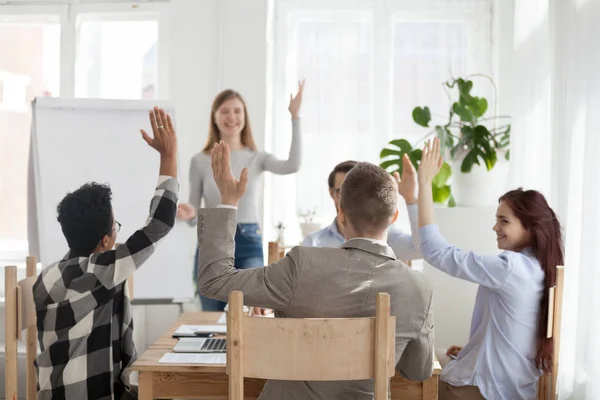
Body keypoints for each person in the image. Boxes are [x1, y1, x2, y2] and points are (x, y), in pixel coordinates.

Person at [195, 141, 434, 400]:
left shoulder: (301, 265)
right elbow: (417, 371)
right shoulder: (419, 288)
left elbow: (214, 281)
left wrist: (229, 202)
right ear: (394, 216)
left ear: (341, 213)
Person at [33, 108, 179, 400]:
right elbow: (159, 224)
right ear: (104, 241)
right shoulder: (100, 272)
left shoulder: (47, 276)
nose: (117, 233)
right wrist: (169, 156)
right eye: (116, 227)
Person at [417, 138, 564, 400]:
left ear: (529, 228)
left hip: (490, 391)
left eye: (503, 221)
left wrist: (424, 184)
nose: (495, 227)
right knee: (438, 357)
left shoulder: (510, 268)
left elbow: (435, 252)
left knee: (413, 376)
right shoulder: (541, 269)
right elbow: (518, 330)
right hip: (517, 388)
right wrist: (476, 349)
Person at [177, 83, 304, 311]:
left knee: (254, 309)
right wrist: (189, 213)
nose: (231, 117)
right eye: (224, 111)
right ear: (214, 117)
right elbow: (195, 213)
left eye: (237, 111)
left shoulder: (257, 157)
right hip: (212, 242)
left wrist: (294, 117)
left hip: (248, 241)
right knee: (211, 316)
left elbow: (292, 165)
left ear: (245, 116)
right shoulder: (199, 161)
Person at [302, 158, 421, 261]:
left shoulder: (386, 236)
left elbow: (420, 249)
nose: (348, 199)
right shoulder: (313, 243)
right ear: (331, 193)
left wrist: (410, 200)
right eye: (341, 192)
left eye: (356, 193)